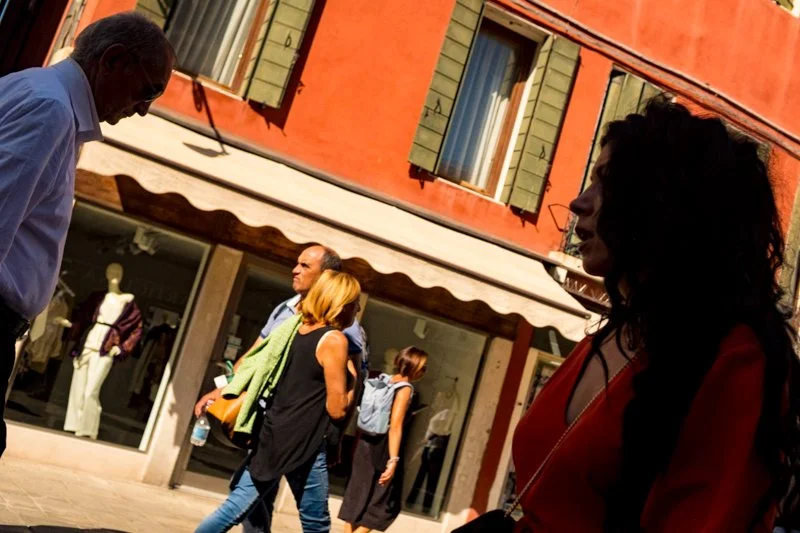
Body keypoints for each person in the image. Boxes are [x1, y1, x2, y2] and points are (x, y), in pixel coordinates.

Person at [510, 97, 800, 531]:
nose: (578, 202)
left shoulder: (736, 360)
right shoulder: (612, 336)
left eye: (606, 182)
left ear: (662, 203)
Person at [0, 12, 174, 456]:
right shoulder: (51, 110)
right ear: (113, 60)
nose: (144, 108)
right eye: (148, 90)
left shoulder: (38, 93)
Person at [194, 245, 368, 533]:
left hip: (275, 430)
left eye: (304, 265)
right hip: (304, 439)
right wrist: (351, 381)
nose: (295, 270)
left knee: (238, 504)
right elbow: (337, 405)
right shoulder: (329, 334)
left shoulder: (298, 327)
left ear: (325, 278)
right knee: (315, 524)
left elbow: (261, 358)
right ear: (340, 301)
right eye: (354, 303)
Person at [339, 347, 428, 533]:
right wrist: (393, 460)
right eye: (423, 367)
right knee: (383, 505)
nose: (424, 371)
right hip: (383, 448)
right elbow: (395, 426)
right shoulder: (405, 389)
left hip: (365, 442)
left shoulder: (384, 380)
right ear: (414, 368)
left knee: (357, 495)